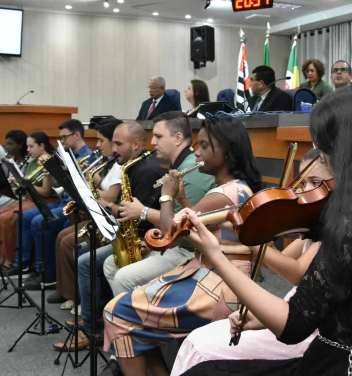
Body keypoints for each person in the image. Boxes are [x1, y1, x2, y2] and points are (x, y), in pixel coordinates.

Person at [180, 82, 352, 376]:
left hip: (342, 365)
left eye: (326, 151)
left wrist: (216, 256)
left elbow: (294, 325)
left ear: (350, 152)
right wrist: (261, 316)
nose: (322, 159)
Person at [101, 116, 263, 376]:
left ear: (226, 152)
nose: (197, 152)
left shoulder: (223, 194)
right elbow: (200, 226)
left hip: (218, 289)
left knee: (115, 312)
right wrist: (183, 199)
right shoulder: (236, 188)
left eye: (205, 146)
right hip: (218, 278)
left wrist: (166, 195)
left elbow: (169, 235)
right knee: (130, 317)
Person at [171, 148, 331, 375]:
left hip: (308, 328)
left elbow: (297, 273)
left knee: (201, 347)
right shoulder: (315, 229)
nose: (303, 192)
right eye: (303, 183)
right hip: (294, 309)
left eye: (314, 182)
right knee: (198, 339)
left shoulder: (333, 234)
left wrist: (249, 237)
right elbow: (280, 264)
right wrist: (234, 225)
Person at [52, 121, 165, 352]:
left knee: (86, 261)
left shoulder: (146, 171)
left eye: (118, 144)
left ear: (136, 144)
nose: (113, 149)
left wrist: (106, 206)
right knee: (83, 252)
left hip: (142, 239)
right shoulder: (132, 167)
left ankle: (92, 330)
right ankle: (97, 319)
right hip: (128, 233)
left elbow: (138, 217)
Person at [103, 111, 216, 297]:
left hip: (188, 251)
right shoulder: (177, 165)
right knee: (110, 265)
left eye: (158, 136)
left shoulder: (191, 171)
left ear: (178, 138)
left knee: (123, 277)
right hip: (175, 244)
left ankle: (131, 314)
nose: (153, 142)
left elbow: (185, 225)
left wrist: (143, 212)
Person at [6, 119, 93, 287]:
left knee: (39, 221)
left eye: (64, 137)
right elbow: (57, 184)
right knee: (25, 217)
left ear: (77, 135)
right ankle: (24, 265)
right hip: (64, 201)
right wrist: (50, 169)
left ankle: (47, 275)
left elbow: (76, 188)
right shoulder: (67, 155)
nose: (62, 141)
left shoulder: (88, 157)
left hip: (75, 205)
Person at [48, 119, 123, 309]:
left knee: (67, 241)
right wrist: (88, 179)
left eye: (101, 140)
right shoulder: (110, 163)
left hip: (108, 218)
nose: (97, 145)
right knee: (62, 236)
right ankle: (67, 292)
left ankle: (78, 296)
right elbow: (102, 187)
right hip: (99, 212)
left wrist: (88, 185)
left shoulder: (119, 165)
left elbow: (110, 196)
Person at [0, 132, 55, 271]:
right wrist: (14, 183)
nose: (27, 150)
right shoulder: (32, 161)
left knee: (7, 219)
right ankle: (0, 257)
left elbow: (46, 192)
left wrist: (24, 183)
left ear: (41, 146)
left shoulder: (48, 162)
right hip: (29, 199)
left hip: (43, 201)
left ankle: (10, 260)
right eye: (27, 146)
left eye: (31, 146)